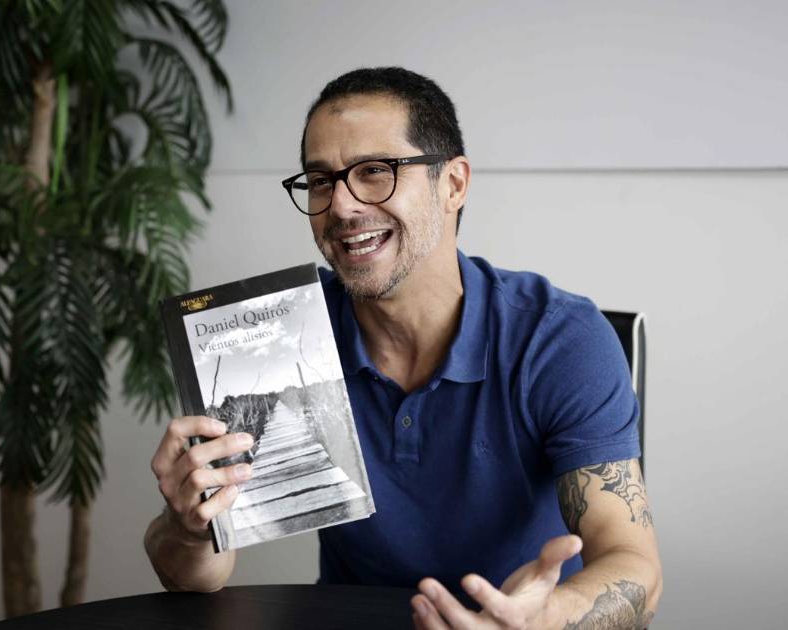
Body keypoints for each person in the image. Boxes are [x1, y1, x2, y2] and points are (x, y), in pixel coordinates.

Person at [145, 67, 662, 629]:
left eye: (375, 171)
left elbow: (634, 564)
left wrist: (541, 620)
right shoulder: (276, 337)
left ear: (453, 184)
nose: (341, 206)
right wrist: (187, 529)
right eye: (320, 180)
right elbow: (196, 578)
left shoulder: (557, 338)